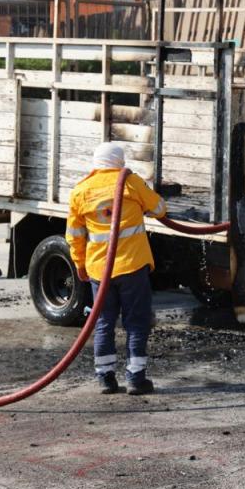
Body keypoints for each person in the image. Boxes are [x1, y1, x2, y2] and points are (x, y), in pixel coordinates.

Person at [66, 142, 166, 396]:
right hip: (132, 265)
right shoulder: (131, 182)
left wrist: (79, 264)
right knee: (136, 322)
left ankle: (105, 379)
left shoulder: (81, 191)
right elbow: (159, 209)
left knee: (103, 322)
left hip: (99, 270)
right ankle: (135, 378)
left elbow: (74, 235)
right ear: (119, 162)